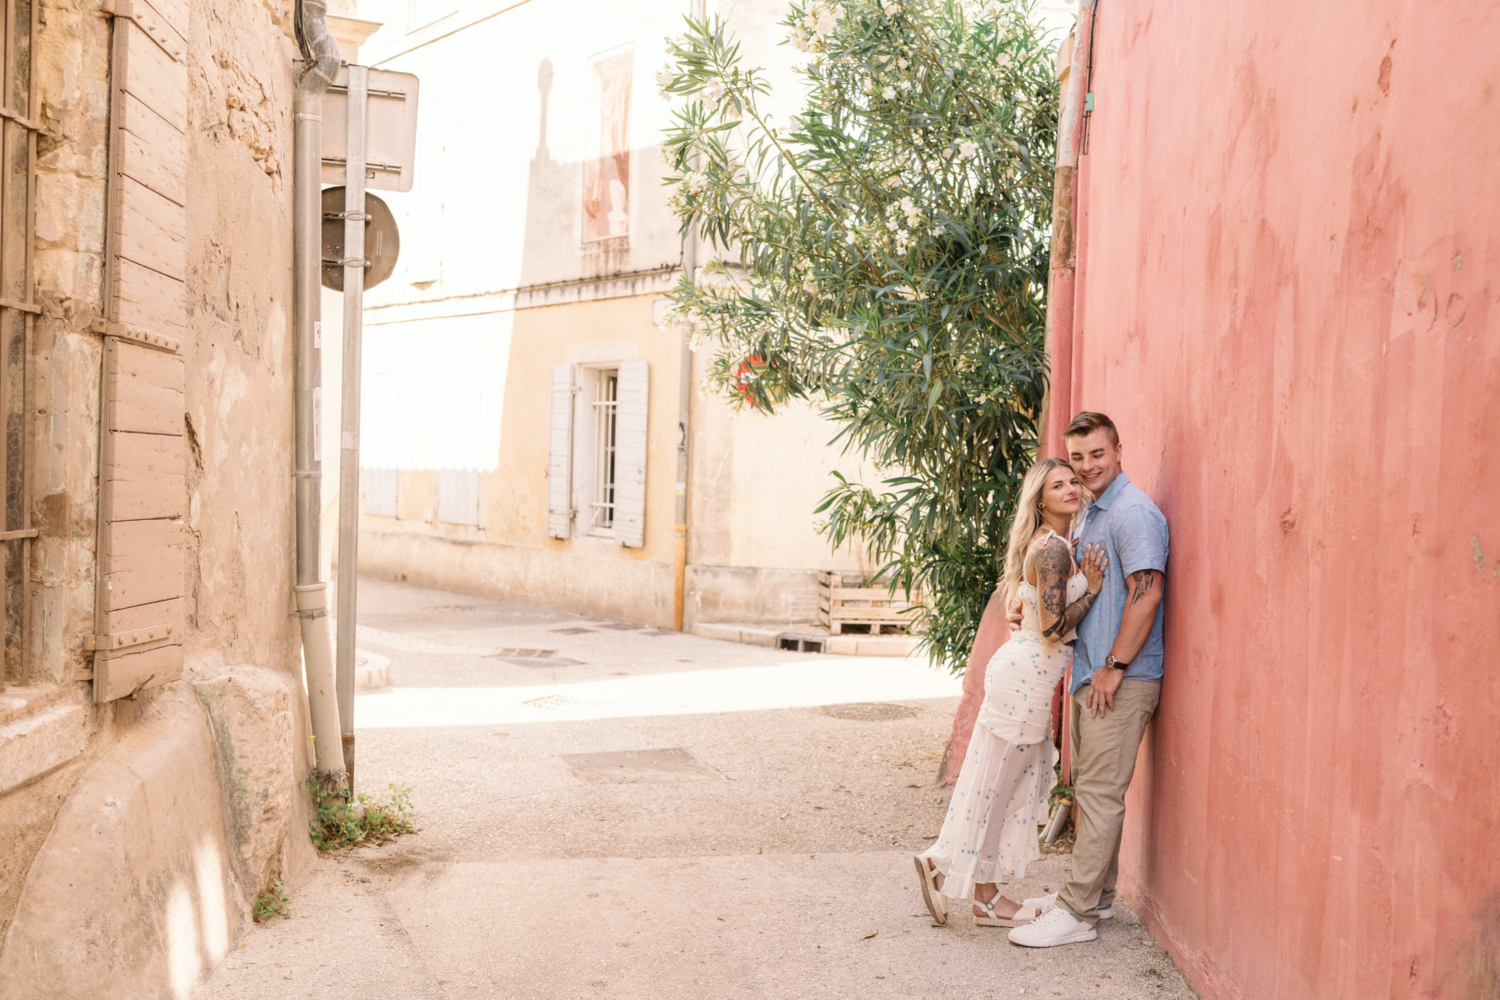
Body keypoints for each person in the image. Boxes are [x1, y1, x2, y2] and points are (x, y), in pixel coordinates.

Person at [914, 458, 1107, 928]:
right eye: (1056, 485)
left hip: (1023, 679)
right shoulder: (1054, 550)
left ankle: (984, 898)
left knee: (1002, 788)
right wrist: (1093, 589)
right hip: (1026, 681)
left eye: (1072, 483)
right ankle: (941, 863)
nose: (1070, 490)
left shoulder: (1055, 544)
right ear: (1040, 500)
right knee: (997, 791)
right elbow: (1052, 627)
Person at [1008, 412, 1169, 948]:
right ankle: (1094, 896)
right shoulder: (1092, 513)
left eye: (1096, 455)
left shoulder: (1133, 512)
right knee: (1094, 795)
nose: (1086, 467)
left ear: (1118, 451)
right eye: (1076, 459)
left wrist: (1115, 667)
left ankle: (1077, 914)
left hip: (1120, 680)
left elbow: (1147, 593)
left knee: (1099, 796)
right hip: (1091, 676)